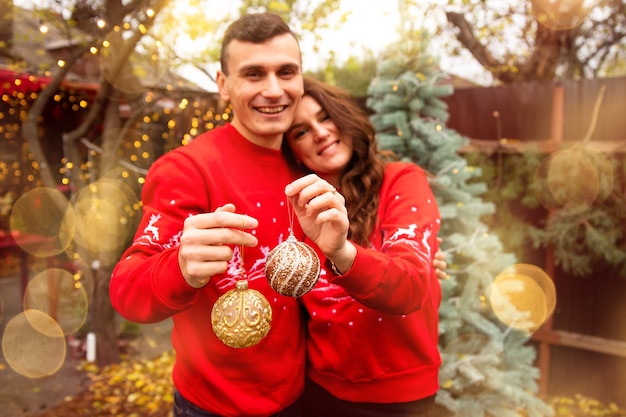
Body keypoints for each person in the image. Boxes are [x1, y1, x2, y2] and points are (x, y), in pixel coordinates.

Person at [110, 12, 307, 417]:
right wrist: (180, 266)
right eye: (253, 74)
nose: (274, 90)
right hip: (213, 407)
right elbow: (128, 291)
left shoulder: (307, 161)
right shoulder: (186, 169)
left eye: (286, 72)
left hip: (301, 396)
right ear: (223, 85)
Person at [283, 76, 443, 417]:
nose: (321, 133)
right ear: (293, 151)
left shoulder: (402, 182)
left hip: (399, 399)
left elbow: (411, 286)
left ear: (344, 117)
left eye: (325, 117)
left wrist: (341, 253)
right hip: (319, 392)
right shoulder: (297, 209)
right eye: (301, 131)